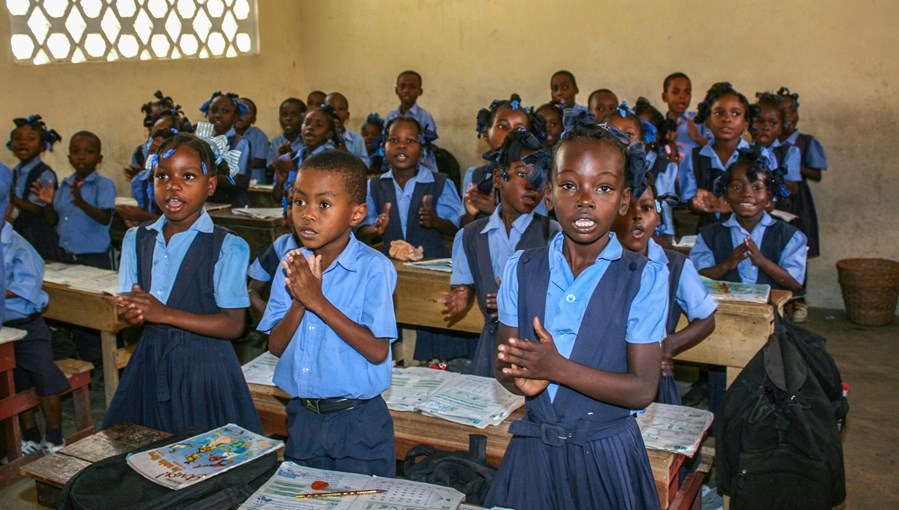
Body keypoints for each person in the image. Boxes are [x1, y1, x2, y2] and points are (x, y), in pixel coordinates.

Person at [485, 118, 668, 509]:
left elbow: (642, 387)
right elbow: (503, 363)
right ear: (548, 195)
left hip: (606, 458)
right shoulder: (521, 268)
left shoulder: (644, 277)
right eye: (569, 185)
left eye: (603, 187)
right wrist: (522, 381)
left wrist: (555, 368)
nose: (585, 199)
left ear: (623, 200)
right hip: (535, 454)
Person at [102, 131, 261, 434]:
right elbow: (130, 299)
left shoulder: (228, 246)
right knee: (139, 452)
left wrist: (163, 314)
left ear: (210, 185)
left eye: (188, 176)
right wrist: (131, 310)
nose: (173, 186)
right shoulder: (137, 238)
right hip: (151, 362)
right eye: (162, 176)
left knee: (205, 461)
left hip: (205, 370)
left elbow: (233, 324)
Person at [258, 150, 397, 476]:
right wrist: (300, 300)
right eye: (299, 202)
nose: (307, 214)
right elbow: (276, 346)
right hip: (303, 416)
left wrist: (316, 300)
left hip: (358, 422)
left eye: (324, 204)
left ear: (356, 213)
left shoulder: (373, 268)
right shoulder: (292, 265)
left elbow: (377, 350)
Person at [690, 149, 806, 415]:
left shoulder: (789, 235)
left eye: (756, 187)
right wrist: (727, 265)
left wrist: (762, 261)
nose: (746, 194)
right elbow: (696, 275)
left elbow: (795, 284)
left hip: (773, 329)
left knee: (769, 391)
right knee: (724, 390)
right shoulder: (710, 234)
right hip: (725, 326)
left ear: (769, 196)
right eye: (736, 186)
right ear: (725, 193)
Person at [445, 130, 559, 377]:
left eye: (539, 178)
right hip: (491, 348)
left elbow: (563, 296)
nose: (531, 185)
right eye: (521, 174)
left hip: (538, 350)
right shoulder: (469, 236)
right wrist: (461, 297)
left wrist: (516, 303)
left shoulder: (553, 233)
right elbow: (464, 285)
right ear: (498, 177)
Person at [358, 117, 467, 363]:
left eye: (410, 141)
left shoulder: (440, 183)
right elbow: (360, 230)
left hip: (431, 272)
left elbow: (457, 227)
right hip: (390, 273)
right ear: (383, 146)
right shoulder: (374, 185)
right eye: (394, 140)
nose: (402, 147)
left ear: (422, 148)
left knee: (429, 331)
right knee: (394, 328)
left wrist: (436, 221)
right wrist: (375, 230)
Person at [612, 171, 716, 404]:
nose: (637, 216)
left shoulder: (676, 265)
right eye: (627, 208)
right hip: (605, 372)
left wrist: (669, 345)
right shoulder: (597, 262)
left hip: (653, 377)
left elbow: (707, 318)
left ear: (658, 217)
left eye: (647, 208)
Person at [2, 222, 69, 455]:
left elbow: (27, 286)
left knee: (45, 379)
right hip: (5, 330)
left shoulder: (18, 245)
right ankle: (29, 436)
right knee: (15, 383)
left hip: (28, 326)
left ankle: (54, 437)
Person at [776, 86, 827, 322]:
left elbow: (817, 174)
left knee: (798, 248)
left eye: (792, 110)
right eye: (783, 112)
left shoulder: (805, 142)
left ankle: (800, 300)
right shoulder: (767, 143)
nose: (789, 116)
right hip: (773, 201)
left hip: (797, 202)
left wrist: (790, 164)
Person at [33, 131, 116, 269]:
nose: (81, 157)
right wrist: (48, 203)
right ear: (69, 157)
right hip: (65, 257)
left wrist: (81, 203)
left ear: (99, 158)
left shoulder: (103, 185)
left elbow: (105, 218)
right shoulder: (65, 185)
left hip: (93, 259)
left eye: (88, 152)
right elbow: (52, 220)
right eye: (75, 152)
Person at [461, 95, 546, 225]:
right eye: (502, 126)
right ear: (486, 134)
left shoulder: (536, 177)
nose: (511, 133)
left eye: (520, 128)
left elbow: (539, 228)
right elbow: (463, 232)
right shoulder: (474, 176)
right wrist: (470, 212)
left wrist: (495, 211)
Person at [679, 82, 753, 231]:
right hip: (707, 235)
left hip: (749, 235)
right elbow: (687, 201)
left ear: (746, 123)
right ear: (708, 121)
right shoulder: (694, 158)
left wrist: (736, 203)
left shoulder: (758, 156)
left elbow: (769, 202)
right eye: (719, 113)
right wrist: (698, 202)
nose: (727, 119)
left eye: (735, 113)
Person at [604, 103, 679, 243]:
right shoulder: (599, 176)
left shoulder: (658, 173)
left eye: (628, 135)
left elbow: (660, 205)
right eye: (612, 134)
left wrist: (661, 225)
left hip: (651, 238)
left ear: (643, 142)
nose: (621, 140)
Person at [7, 115, 62, 261]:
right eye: (18, 138)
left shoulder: (44, 173)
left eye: (31, 139)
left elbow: (37, 208)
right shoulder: (14, 172)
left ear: (43, 145)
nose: (23, 143)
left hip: (40, 236)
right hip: (21, 232)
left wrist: (10, 197)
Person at [272, 106, 342, 212]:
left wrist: (293, 173)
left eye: (319, 125)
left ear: (328, 134)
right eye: (307, 123)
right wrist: (280, 182)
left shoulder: (332, 160)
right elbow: (276, 199)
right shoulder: (291, 158)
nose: (310, 128)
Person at [198, 91, 252, 207]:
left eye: (225, 111)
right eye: (213, 110)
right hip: (208, 203)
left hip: (233, 205)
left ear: (236, 117)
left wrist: (203, 177)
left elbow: (236, 180)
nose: (218, 115)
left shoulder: (240, 143)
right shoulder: (203, 141)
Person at [750, 93, 801, 204]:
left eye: (772, 123)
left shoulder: (789, 152)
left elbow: (793, 189)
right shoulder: (742, 150)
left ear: (781, 128)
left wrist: (769, 178)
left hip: (777, 212)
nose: (765, 127)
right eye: (759, 121)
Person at [661, 72, 710, 162]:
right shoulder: (659, 123)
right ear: (665, 97)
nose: (682, 96)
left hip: (694, 174)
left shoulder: (699, 121)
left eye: (687, 92)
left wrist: (697, 138)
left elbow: (718, 147)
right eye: (676, 92)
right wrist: (668, 141)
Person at [325, 92, 371, 167]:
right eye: (331, 109)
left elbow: (366, 168)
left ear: (347, 115)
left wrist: (346, 153)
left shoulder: (357, 139)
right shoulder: (318, 138)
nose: (335, 112)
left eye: (341, 108)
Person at [386, 70, 438, 135]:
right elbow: (385, 140)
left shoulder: (425, 117)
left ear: (420, 91)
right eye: (402, 86)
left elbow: (431, 143)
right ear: (396, 90)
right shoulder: (391, 116)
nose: (406, 90)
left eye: (413, 87)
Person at [235, 97, 270, 185]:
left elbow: (261, 161)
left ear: (253, 119)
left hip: (254, 183)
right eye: (239, 111)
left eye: (247, 112)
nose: (241, 115)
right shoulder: (226, 135)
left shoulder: (259, 135)